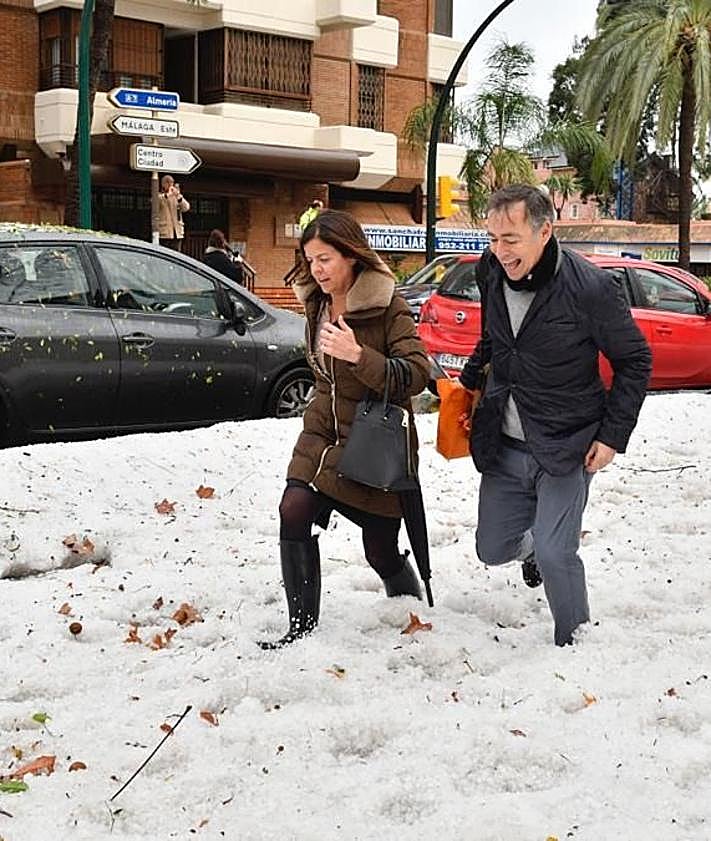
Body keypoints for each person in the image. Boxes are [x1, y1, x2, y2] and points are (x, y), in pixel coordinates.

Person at [459, 184, 652, 646]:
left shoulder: (590, 287)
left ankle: (575, 640)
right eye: (492, 238)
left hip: (568, 444)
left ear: (545, 230)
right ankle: (532, 553)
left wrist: (612, 436)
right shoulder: (490, 270)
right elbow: (495, 337)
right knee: (492, 548)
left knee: (557, 550)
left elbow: (634, 361)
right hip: (504, 441)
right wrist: (468, 383)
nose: (500, 252)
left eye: (511, 239)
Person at [260, 209, 431, 649]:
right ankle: (300, 629)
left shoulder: (387, 305)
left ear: (352, 256)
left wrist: (359, 356)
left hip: (375, 444)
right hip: (321, 434)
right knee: (292, 508)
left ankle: (414, 615)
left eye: (326, 259)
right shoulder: (316, 304)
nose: (317, 270)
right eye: (311, 260)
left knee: (380, 550)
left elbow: (415, 373)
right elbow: (324, 380)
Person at [157, 174, 190, 251]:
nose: (170, 184)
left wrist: (178, 196)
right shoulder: (159, 196)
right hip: (164, 234)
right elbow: (155, 203)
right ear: (163, 184)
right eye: (167, 182)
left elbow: (186, 208)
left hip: (177, 233)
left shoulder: (176, 196)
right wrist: (167, 195)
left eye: (171, 182)